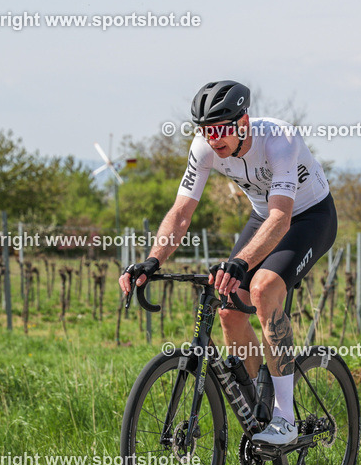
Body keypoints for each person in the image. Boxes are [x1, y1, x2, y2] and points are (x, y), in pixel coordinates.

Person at [119, 80, 338, 445]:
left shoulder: (279, 139)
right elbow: (181, 213)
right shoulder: (204, 146)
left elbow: (281, 218)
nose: (213, 138)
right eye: (206, 130)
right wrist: (152, 260)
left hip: (309, 217)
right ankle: (257, 408)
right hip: (262, 217)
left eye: (221, 129)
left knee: (263, 289)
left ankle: (285, 419)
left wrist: (240, 262)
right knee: (228, 310)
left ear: (243, 122)